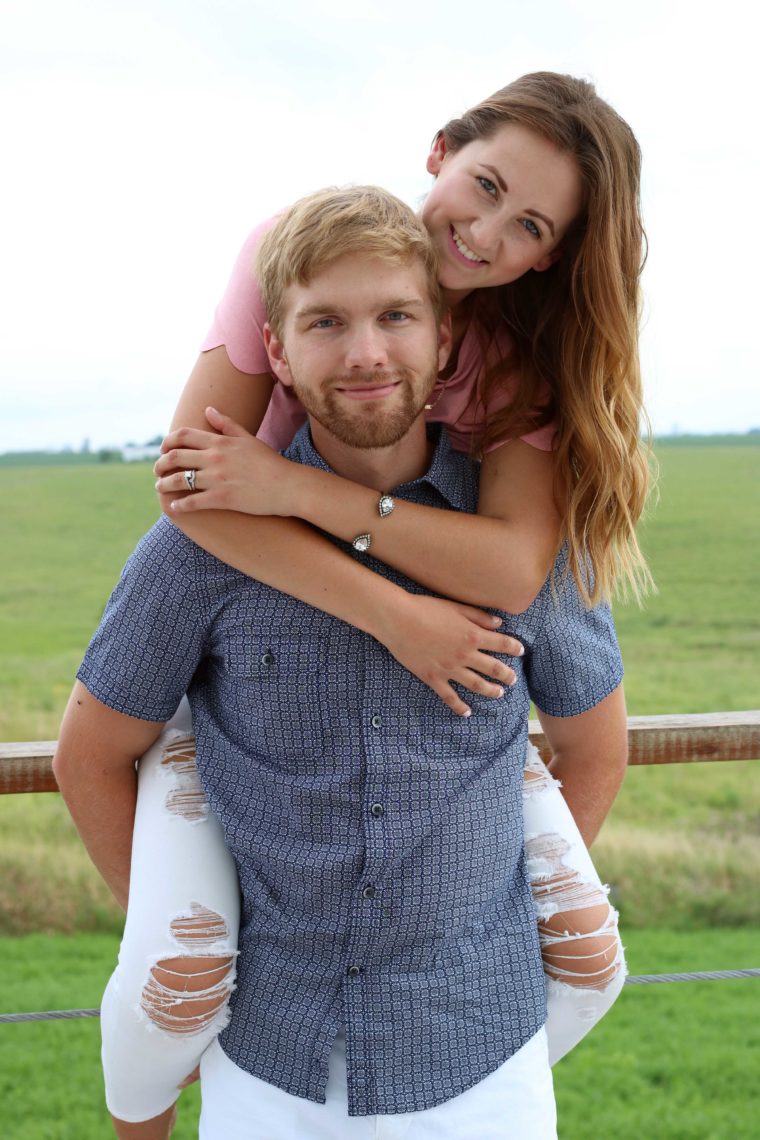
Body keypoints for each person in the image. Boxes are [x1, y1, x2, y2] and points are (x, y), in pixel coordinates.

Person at [55, 184, 628, 1139]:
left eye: (397, 316)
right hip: (266, 1063)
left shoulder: (516, 549)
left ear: (445, 340)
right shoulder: (205, 543)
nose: (366, 352)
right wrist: (181, 941)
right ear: (276, 350)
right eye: (325, 322)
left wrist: (493, 923)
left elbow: (595, 746)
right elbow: (91, 752)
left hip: (485, 1059)